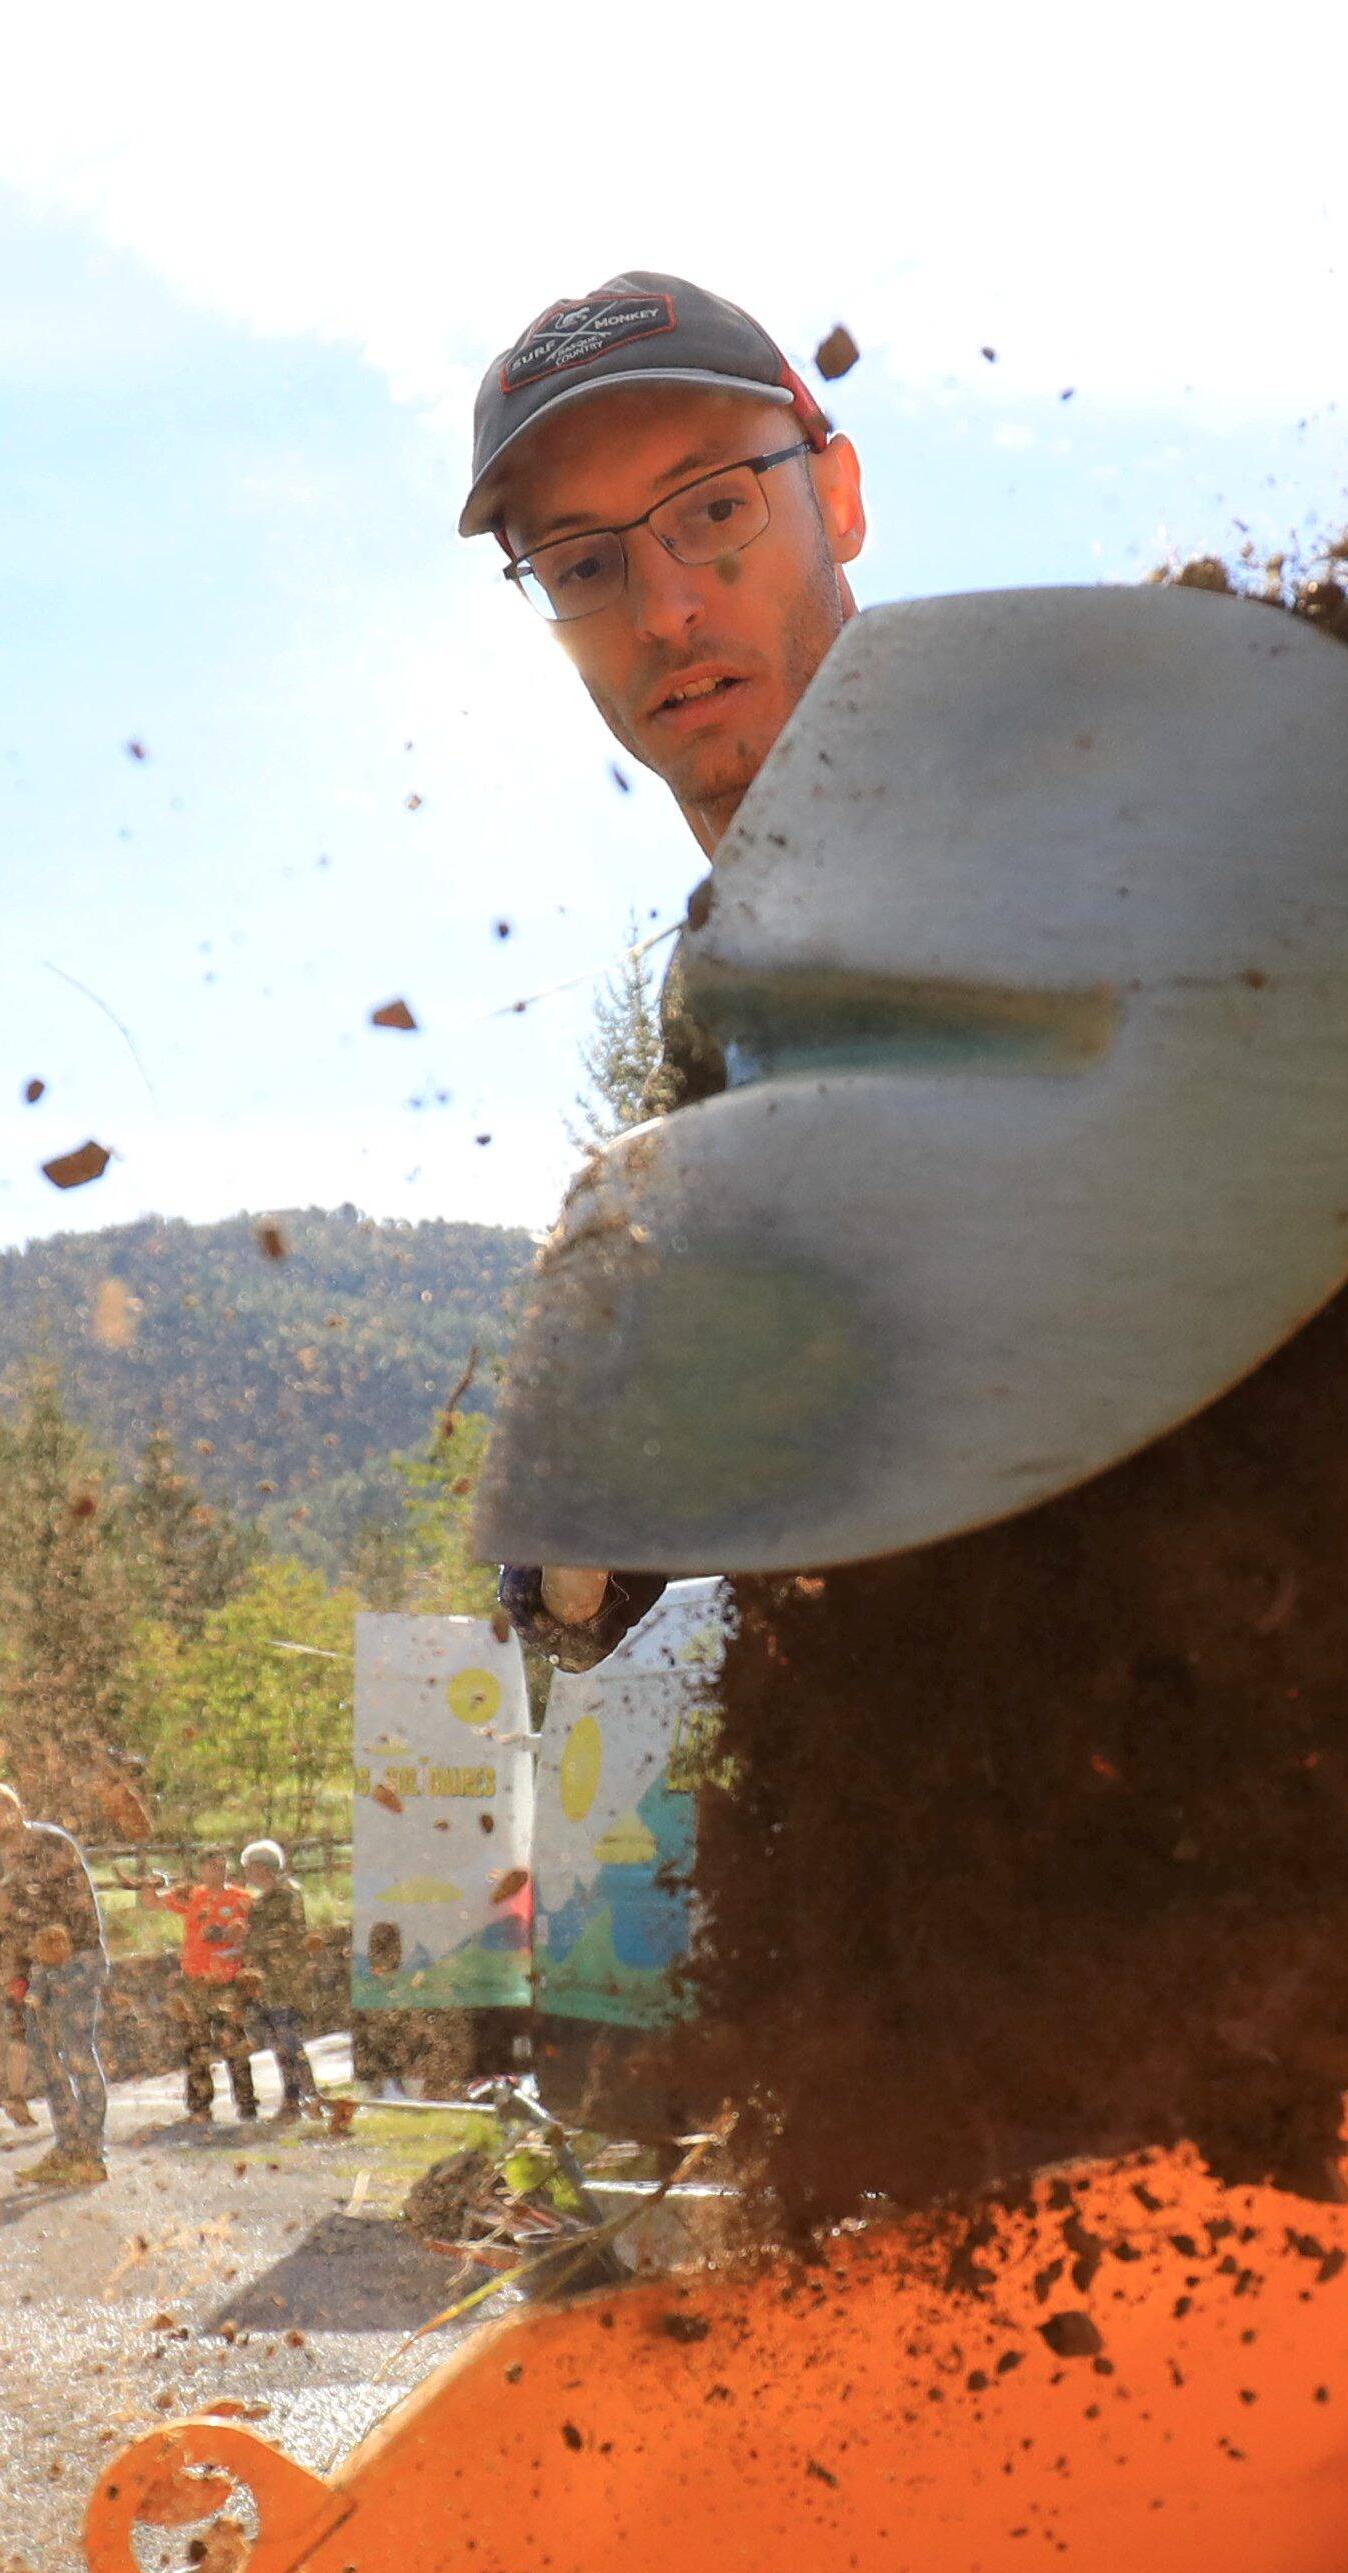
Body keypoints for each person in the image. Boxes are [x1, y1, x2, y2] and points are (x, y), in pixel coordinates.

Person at [461, 270, 870, 1685]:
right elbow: (607, 1604)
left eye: (714, 509)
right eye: (582, 564)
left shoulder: (1081, 808)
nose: (666, 607)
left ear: (841, 497)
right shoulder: (719, 996)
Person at [0, 1780, 109, 2185]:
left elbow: (72, 1910)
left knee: (79, 2055)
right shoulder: (1, 1858)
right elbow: (3, 1918)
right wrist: (12, 1972)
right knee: (48, 2065)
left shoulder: (48, 1842)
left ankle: (92, 2155)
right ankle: (67, 2150)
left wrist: (8, 1898)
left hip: (74, 1961)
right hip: (35, 1974)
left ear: (16, 1807)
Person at [145, 1849, 267, 2125]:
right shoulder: (193, 1896)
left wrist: (232, 1934)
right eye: (213, 1866)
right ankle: (200, 2108)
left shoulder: (242, 1898)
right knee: (196, 2046)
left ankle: (247, 2106)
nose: (219, 1871)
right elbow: (151, 1903)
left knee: (234, 2042)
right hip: (195, 1982)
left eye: (223, 1866)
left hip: (228, 1982)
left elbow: (258, 1932)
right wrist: (149, 1885)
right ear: (201, 1870)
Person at [235, 1837, 320, 2118]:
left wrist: (252, 1941)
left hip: (284, 1980)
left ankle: (305, 2097)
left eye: (250, 1868)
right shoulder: (261, 1902)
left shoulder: (287, 1894)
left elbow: (292, 1934)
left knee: (288, 2039)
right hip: (266, 1982)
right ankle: (295, 2099)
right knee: (279, 2043)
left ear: (263, 1867)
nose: (247, 1874)